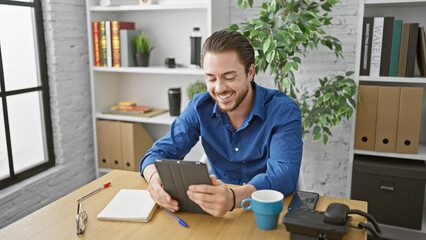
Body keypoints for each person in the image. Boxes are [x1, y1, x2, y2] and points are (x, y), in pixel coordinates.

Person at [140, 30, 303, 217]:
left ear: (250, 72)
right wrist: (154, 179)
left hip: (267, 210)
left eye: (229, 77)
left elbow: (285, 174)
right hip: (216, 210)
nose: (219, 88)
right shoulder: (199, 108)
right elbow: (156, 154)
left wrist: (234, 198)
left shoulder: (282, 110)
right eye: (211, 78)